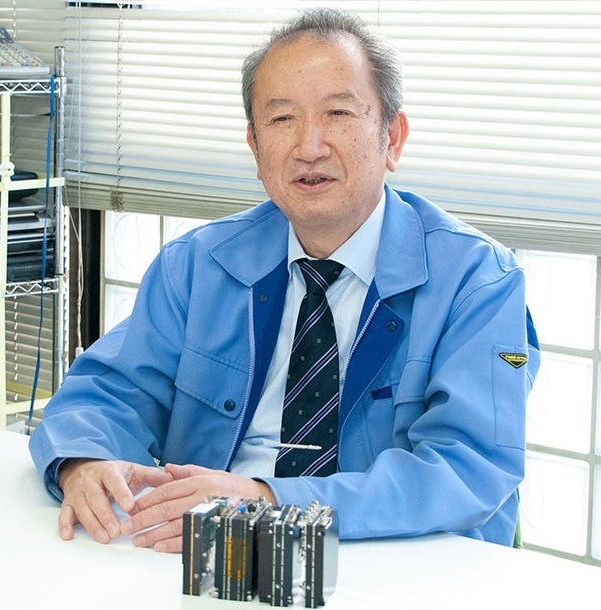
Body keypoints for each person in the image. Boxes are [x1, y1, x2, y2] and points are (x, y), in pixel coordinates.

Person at [29, 7, 539, 553]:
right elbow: (105, 393)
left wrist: (268, 500)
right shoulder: (197, 264)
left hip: (386, 559)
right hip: (212, 556)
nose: (309, 147)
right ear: (255, 147)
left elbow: (469, 468)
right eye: (281, 120)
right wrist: (85, 460)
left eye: (338, 113)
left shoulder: (479, 282)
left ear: (392, 138)